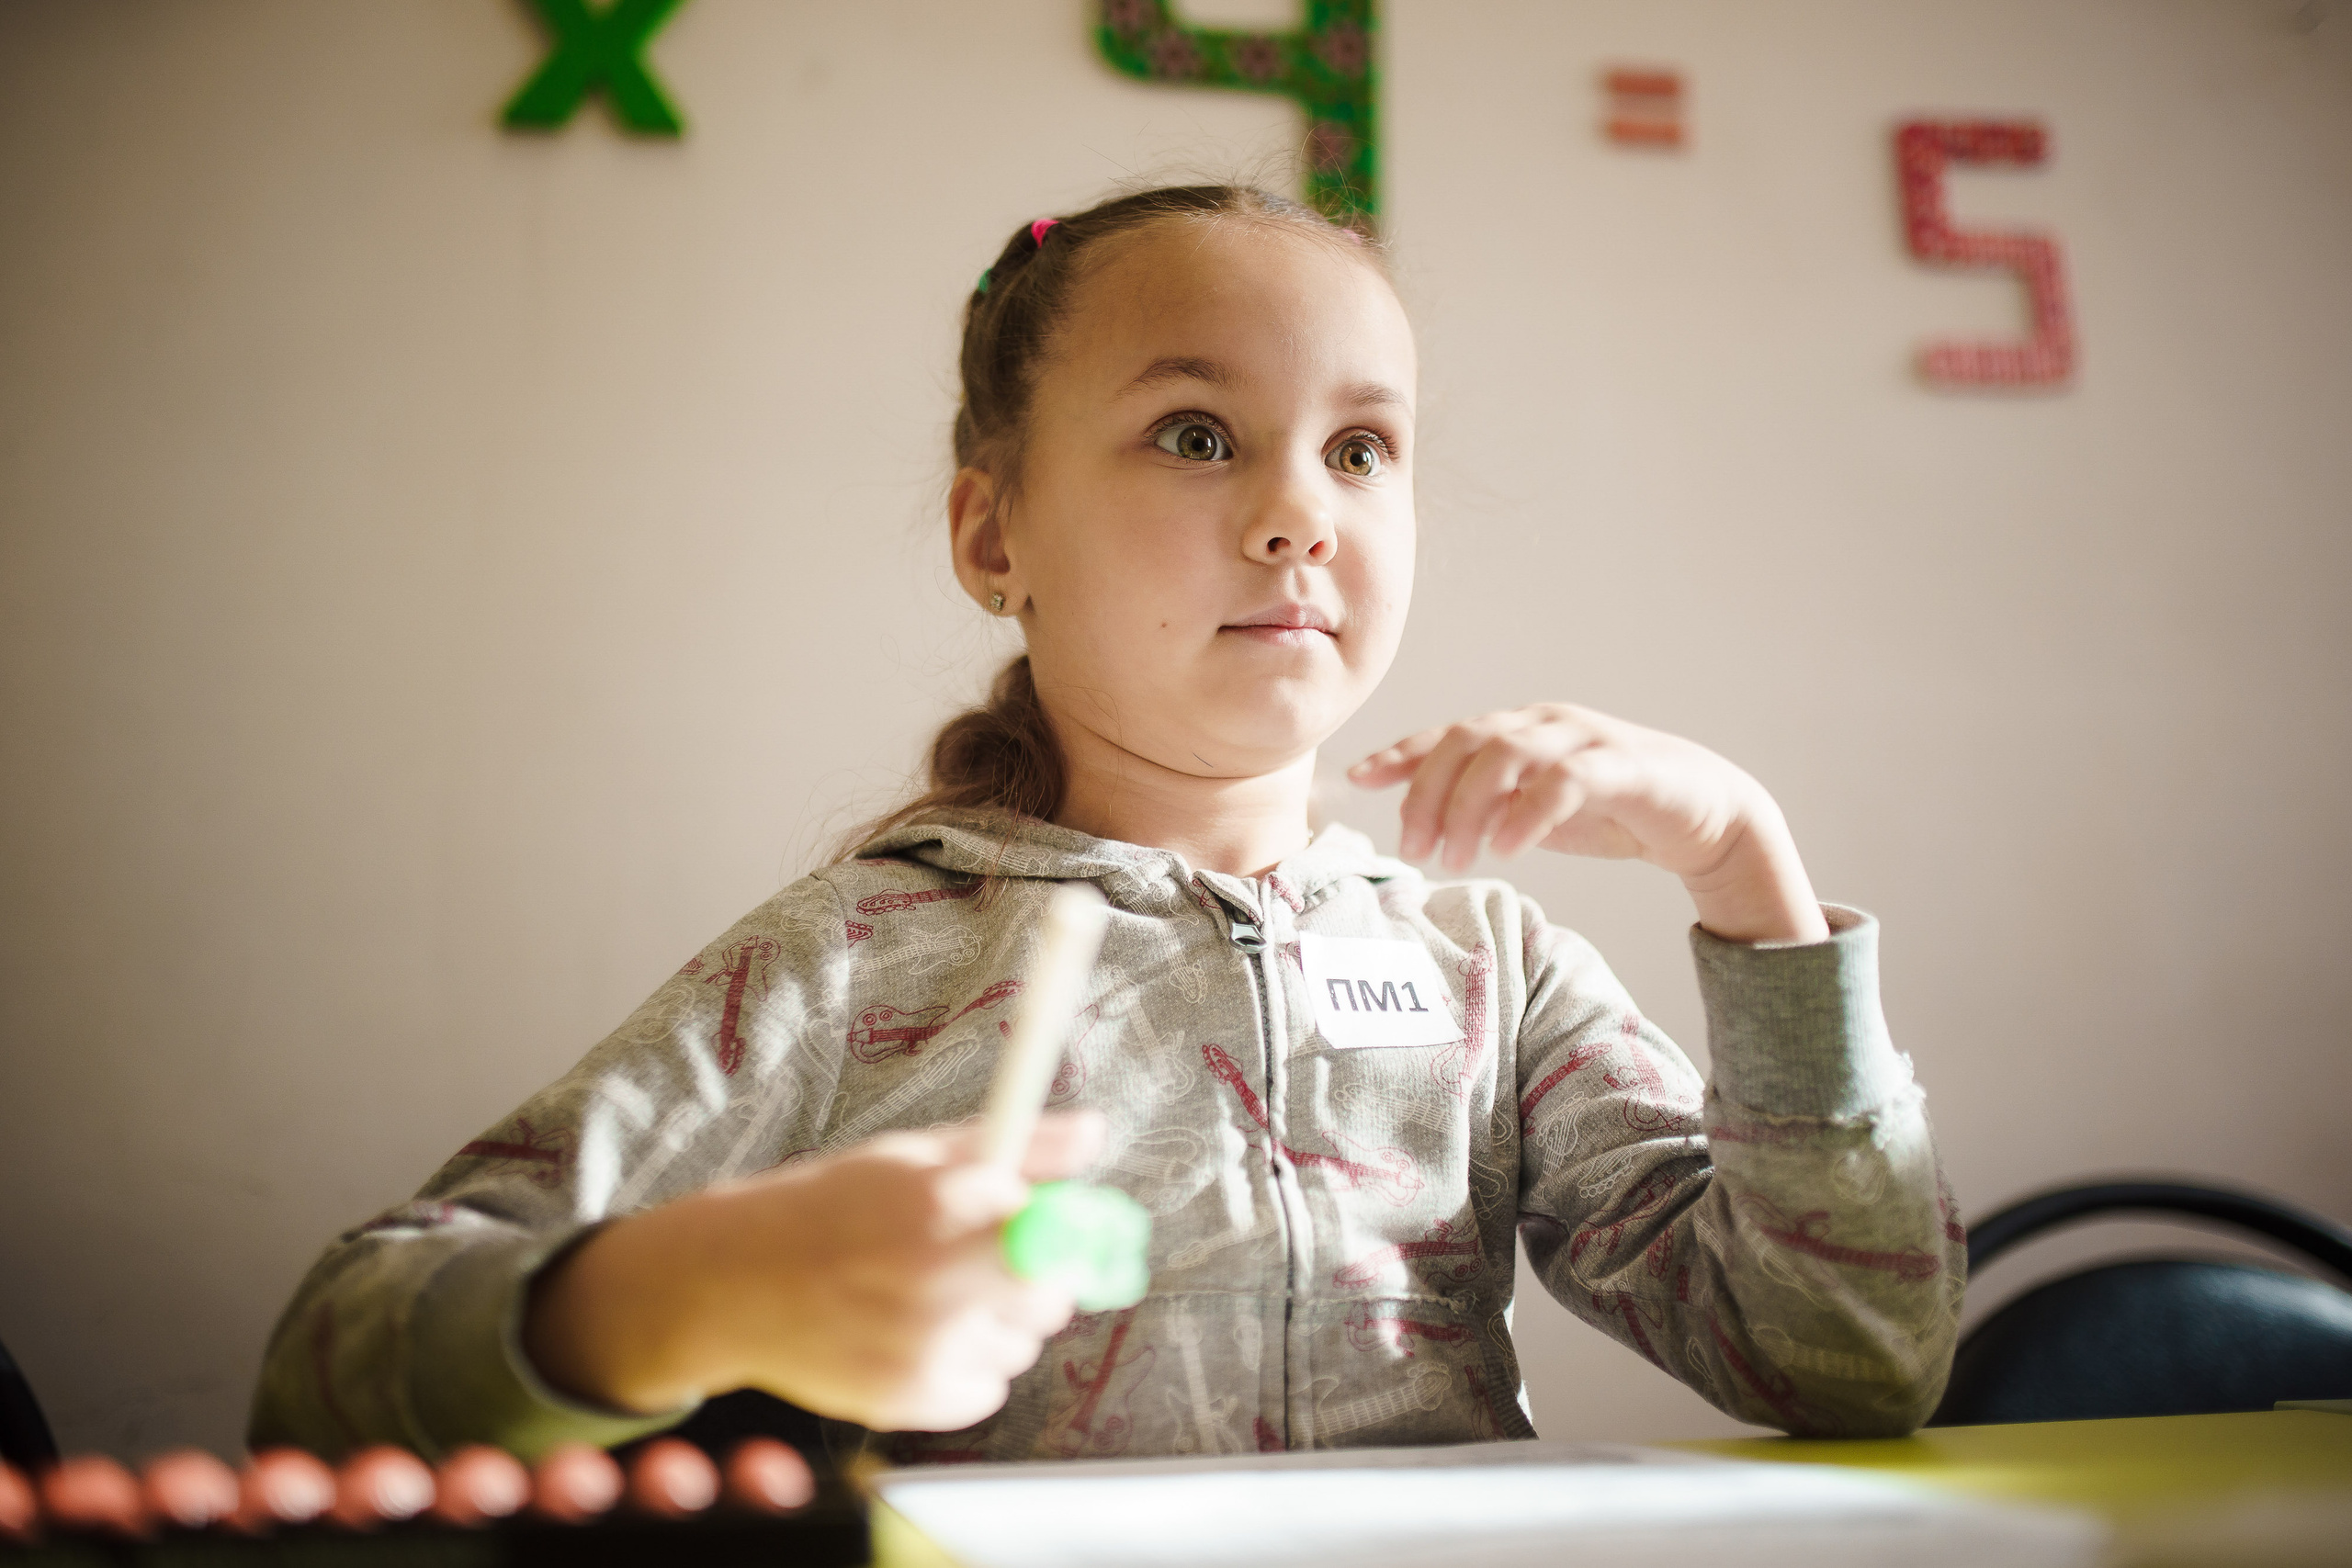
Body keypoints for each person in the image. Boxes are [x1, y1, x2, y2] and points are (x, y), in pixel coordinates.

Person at [251, 185, 1963, 1467]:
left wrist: (1748, 873)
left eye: (1363, 449)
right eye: (1198, 435)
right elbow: (329, 1377)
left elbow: (1844, 1363)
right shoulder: (864, 963)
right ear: (995, 538)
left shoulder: (1484, 968)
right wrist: (692, 1291)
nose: (1303, 512)